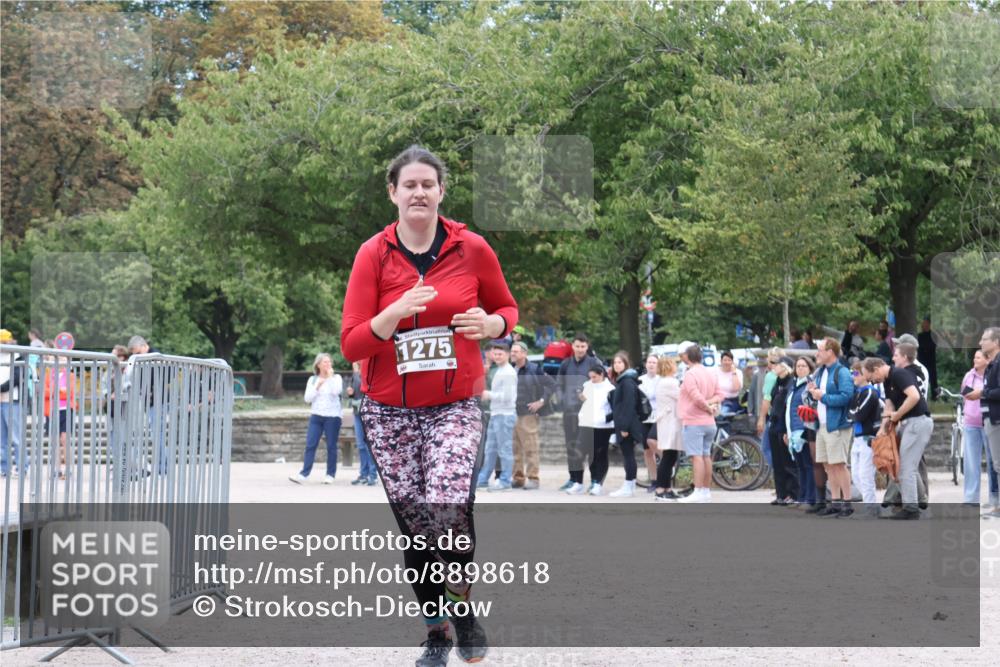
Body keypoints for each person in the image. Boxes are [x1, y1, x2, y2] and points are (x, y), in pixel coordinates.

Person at [340, 145, 517, 665]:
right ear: (393, 193)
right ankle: (437, 632)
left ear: (441, 192)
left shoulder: (472, 249)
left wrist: (493, 326)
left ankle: (462, 609)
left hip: (454, 404)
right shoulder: (373, 254)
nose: (419, 192)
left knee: (447, 506)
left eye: (428, 184)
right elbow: (352, 343)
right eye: (409, 185)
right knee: (417, 527)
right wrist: (392, 313)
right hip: (389, 409)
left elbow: (506, 306)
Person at [864, 354, 933, 520]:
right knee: (904, 464)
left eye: (871, 378)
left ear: (876, 369)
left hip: (917, 421)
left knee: (905, 468)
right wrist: (883, 428)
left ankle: (911, 508)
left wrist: (897, 415)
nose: (873, 382)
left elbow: (914, 396)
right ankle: (920, 501)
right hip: (908, 422)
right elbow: (889, 405)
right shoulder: (888, 380)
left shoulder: (899, 374)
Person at [807, 338, 855, 518]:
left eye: (820, 349)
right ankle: (835, 502)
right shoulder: (820, 372)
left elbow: (846, 397)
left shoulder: (842, 372)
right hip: (822, 424)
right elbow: (818, 397)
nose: (817, 353)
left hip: (837, 425)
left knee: (839, 464)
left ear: (830, 352)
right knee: (828, 465)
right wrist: (813, 393)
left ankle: (847, 503)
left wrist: (823, 396)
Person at [677, 344, 724, 503]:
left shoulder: (690, 374)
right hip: (709, 422)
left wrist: (706, 406)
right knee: (706, 456)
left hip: (694, 420)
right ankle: (705, 490)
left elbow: (695, 396)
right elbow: (720, 394)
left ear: (688, 357)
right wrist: (710, 404)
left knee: (696, 457)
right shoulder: (710, 373)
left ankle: (697, 490)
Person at [289, 353, 342, 485]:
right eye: (325, 362)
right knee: (310, 444)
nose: (328, 364)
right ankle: (304, 474)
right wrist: (317, 386)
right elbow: (307, 399)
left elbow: (336, 392)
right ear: (318, 365)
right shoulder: (312, 380)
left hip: (332, 416)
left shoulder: (336, 378)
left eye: (329, 362)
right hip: (316, 416)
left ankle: (330, 474)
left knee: (331, 446)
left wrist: (329, 378)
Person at [510, 341, 554, 490]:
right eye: (512, 351)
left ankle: (533, 479)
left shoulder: (535, 369)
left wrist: (541, 401)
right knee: (515, 449)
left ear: (524, 353)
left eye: (516, 351)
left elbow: (551, 385)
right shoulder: (509, 369)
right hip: (510, 413)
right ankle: (518, 478)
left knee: (530, 448)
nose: (513, 354)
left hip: (528, 414)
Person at [476, 341, 517, 491]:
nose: (497, 356)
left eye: (500, 354)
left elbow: (508, 396)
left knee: (504, 449)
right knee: (490, 449)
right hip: (496, 413)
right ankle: (483, 479)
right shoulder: (500, 370)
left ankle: (505, 481)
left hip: (505, 415)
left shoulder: (508, 372)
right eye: (495, 353)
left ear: (507, 355)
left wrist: (488, 394)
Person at [557, 334, 595, 492]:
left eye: (583, 346)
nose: (580, 349)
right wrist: (563, 399)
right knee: (571, 446)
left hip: (588, 412)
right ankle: (573, 479)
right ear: (572, 346)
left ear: (587, 347)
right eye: (577, 346)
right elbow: (559, 384)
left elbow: (601, 383)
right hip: (569, 412)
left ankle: (594, 481)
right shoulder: (566, 364)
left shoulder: (594, 363)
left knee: (589, 447)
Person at [570, 362, 615, 496]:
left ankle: (597, 483)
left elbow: (614, 409)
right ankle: (577, 482)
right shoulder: (587, 385)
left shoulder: (610, 389)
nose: (592, 380)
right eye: (590, 377)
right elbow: (584, 402)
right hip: (585, 424)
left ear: (602, 375)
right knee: (578, 453)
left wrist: (606, 420)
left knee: (598, 456)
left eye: (594, 377)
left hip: (602, 427)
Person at [608, 351, 644, 497]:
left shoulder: (627, 381)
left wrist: (624, 427)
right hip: (622, 423)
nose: (617, 365)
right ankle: (629, 485)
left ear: (626, 364)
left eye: (620, 362)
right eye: (615, 363)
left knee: (628, 455)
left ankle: (629, 485)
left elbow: (628, 405)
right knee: (627, 455)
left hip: (626, 425)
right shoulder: (622, 380)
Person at [848, 360, 881, 514]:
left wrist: (851, 414)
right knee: (855, 475)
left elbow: (858, 415)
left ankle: (870, 507)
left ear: (864, 375)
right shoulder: (858, 393)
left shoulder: (870, 392)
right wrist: (852, 414)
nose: (852, 376)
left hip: (868, 438)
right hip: (857, 438)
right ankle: (871, 504)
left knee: (865, 474)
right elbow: (851, 413)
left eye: (855, 373)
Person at [974, 327, 1000, 519]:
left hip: (996, 418)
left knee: (998, 464)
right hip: (991, 417)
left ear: (996, 341)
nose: (980, 343)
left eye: (984, 339)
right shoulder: (993, 363)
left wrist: (981, 393)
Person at [785, 356, 816, 507]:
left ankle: (810, 498)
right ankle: (801, 497)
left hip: (804, 430)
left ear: (810, 368)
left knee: (808, 466)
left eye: (804, 366)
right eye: (798, 366)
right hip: (793, 430)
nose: (801, 368)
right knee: (800, 467)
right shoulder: (794, 385)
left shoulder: (810, 385)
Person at [767, 357, 799, 505]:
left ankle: (793, 493)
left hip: (784, 426)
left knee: (788, 463)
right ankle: (781, 493)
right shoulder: (777, 382)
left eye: (778, 364)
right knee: (777, 462)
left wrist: (787, 430)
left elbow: (788, 407)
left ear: (785, 367)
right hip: (774, 425)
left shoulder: (790, 383)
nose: (774, 367)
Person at [959, 350, 989, 506]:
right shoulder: (968, 376)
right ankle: (971, 499)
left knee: (993, 463)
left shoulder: (992, 375)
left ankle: (994, 498)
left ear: (986, 359)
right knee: (971, 463)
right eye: (974, 357)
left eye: (978, 357)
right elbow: (964, 393)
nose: (975, 359)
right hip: (971, 422)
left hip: (989, 423)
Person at [653, 356, 684, 501]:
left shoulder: (662, 382)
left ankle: (666, 487)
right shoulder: (671, 382)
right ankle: (661, 488)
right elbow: (682, 398)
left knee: (669, 456)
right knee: (669, 457)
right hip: (671, 422)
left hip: (667, 421)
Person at [347, 361, 377, 486]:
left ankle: (373, 475)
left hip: (367, 412)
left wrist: (358, 372)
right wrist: (351, 393)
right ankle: (363, 474)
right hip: (356, 412)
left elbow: (366, 389)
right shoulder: (355, 375)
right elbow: (355, 393)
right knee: (360, 445)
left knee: (368, 445)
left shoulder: (366, 372)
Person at [1, 329, 26, 477]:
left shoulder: (17, 355)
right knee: (1, 439)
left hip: (12, 400)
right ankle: (4, 467)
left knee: (16, 437)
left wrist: (1, 388)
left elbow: (16, 378)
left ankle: (21, 466)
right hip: (1, 400)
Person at [638, 353, 661, 492]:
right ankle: (654, 480)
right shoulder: (640, 380)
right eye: (649, 362)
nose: (651, 364)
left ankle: (668, 460)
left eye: (654, 362)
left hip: (659, 416)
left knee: (653, 441)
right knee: (647, 452)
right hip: (644, 417)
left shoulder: (662, 380)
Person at [715, 350, 743, 416]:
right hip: (717, 400)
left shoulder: (738, 372)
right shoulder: (715, 372)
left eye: (729, 360)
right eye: (725, 360)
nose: (727, 362)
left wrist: (733, 372)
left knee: (722, 413)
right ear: (721, 361)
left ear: (732, 362)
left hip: (731, 401)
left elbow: (736, 388)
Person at [917, 317, 938, 399]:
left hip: (930, 360)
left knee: (933, 379)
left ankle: (935, 396)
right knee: (921, 377)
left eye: (925, 323)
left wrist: (925, 348)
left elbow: (932, 346)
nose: (923, 325)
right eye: (923, 323)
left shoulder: (933, 335)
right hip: (922, 360)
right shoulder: (920, 336)